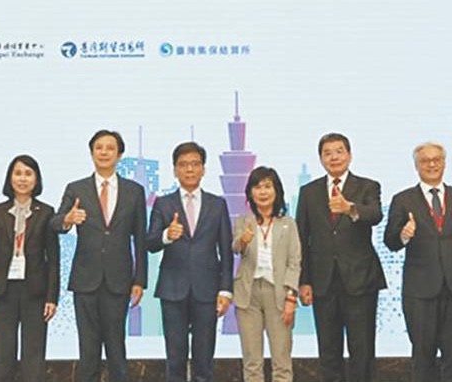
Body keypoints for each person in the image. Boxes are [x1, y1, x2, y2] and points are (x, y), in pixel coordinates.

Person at [383, 142, 452, 382]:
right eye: (425, 161)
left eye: (436, 160)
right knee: (423, 356)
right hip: (420, 292)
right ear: (416, 166)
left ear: (444, 163)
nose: (431, 164)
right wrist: (403, 235)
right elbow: (390, 242)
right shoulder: (403, 199)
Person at [51, 129, 148, 382]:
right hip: (86, 280)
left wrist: (139, 280)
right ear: (92, 152)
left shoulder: (134, 191)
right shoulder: (76, 188)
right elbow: (54, 223)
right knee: (88, 351)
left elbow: (140, 238)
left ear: (119, 155)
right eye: (99, 148)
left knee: (117, 349)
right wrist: (68, 219)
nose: (104, 152)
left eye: (110, 148)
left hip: (119, 280)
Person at [296, 133, 386, 382]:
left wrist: (350, 208)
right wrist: (304, 281)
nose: (334, 157)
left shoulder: (368, 186)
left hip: (360, 281)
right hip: (323, 282)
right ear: (321, 159)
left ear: (349, 155)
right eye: (327, 153)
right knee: (328, 351)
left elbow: (375, 214)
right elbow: (302, 238)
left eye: (339, 151)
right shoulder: (309, 192)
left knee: (362, 350)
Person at [147, 141, 234, 382]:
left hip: (207, 290)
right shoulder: (163, 203)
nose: (189, 169)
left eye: (195, 164)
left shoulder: (217, 204)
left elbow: (226, 251)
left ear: (203, 169)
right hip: (172, 289)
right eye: (183, 164)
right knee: (175, 358)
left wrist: (225, 290)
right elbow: (150, 242)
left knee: (204, 360)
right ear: (175, 170)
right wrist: (167, 235)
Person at [0, 154, 59, 382]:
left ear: (36, 179)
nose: (22, 179)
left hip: (35, 291)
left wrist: (52, 297)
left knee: (34, 356)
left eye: (28, 174)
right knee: (3, 354)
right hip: (3, 290)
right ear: (10, 178)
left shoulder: (46, 212)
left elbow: (53, 259)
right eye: (18, 173)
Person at [232, 166, 301, 382]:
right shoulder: (244, 221)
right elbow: (236, 248)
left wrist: (291, 297)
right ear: (250, 193)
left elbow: (294, 262)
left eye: (267, 186)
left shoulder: (288, 224)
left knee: (281, 361)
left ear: (276, 191)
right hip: (248, 294)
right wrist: (243, 240)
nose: (263, 192)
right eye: (257, 187)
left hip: (278, 293)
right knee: (252, 362)